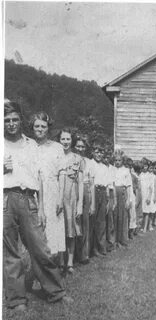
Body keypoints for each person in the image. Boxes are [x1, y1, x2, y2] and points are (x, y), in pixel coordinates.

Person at [3, 100, 72, 312]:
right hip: (5, 199)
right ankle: (17, 300)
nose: (11, 124)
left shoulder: (30, 144)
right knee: (11, 253)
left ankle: (56, 292)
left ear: (21, 121)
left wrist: (41, 207)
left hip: (29, 199)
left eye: (15, 119)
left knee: (41, 249)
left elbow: (40, 178)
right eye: (7, 121)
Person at [30, 112, 66, 264]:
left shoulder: (57, 147)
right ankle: (35, 270)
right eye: (37, 126)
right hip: (32, 192)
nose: (40, 129)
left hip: (52, 192)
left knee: (52, 230)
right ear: (32, 128)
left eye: (43, 126)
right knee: (35, 230)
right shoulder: (28, 146)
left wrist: (60, 198)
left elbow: (62, 174)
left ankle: (53, 269)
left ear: (48, 128)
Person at [58, 128, 84, 273]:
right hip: (58, 196)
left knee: (71, 229)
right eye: (63, 139)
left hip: (72, 197)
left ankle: (69, 262)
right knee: (60, 228)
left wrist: (80, 205)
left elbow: (80, 183)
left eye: (68, 139)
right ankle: (60, 260)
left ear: (72, 141)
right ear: (59, 140)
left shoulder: (77, 158)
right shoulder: (55, 156)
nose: (65, 142)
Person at [73, 133, 95, 264]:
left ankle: (84, 254)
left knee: (85, 223)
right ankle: (73, 254)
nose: (80, 149)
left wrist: (92, 204)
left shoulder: (89, 162)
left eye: (82, 146)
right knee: (74, 223)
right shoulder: (70, 158)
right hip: (72, 190)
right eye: (77, 146)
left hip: (85, 191)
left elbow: (91, 184)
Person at [90, 141, 114, 255]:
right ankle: (93, 248)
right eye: (97, 152)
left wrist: (108, 199)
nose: (99, 155)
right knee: (93, 221)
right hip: (94, 191)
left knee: (102, 221)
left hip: (103, 193)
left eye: (101, 153)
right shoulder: (90, 164)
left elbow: (109, 184)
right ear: (92, 153)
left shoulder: (105, 167)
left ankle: (101, 246)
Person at [113, 150, 132, 246]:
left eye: (119, 160)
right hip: (114, 193)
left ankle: (122, 239)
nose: (117, 162)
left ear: (122, 161)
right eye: (116, 160)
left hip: (123, 193)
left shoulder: (126, 170)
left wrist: (128, 200)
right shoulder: (112, 169)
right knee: (115, 216)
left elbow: (128, 186)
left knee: (123, 217)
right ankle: (114, 240)